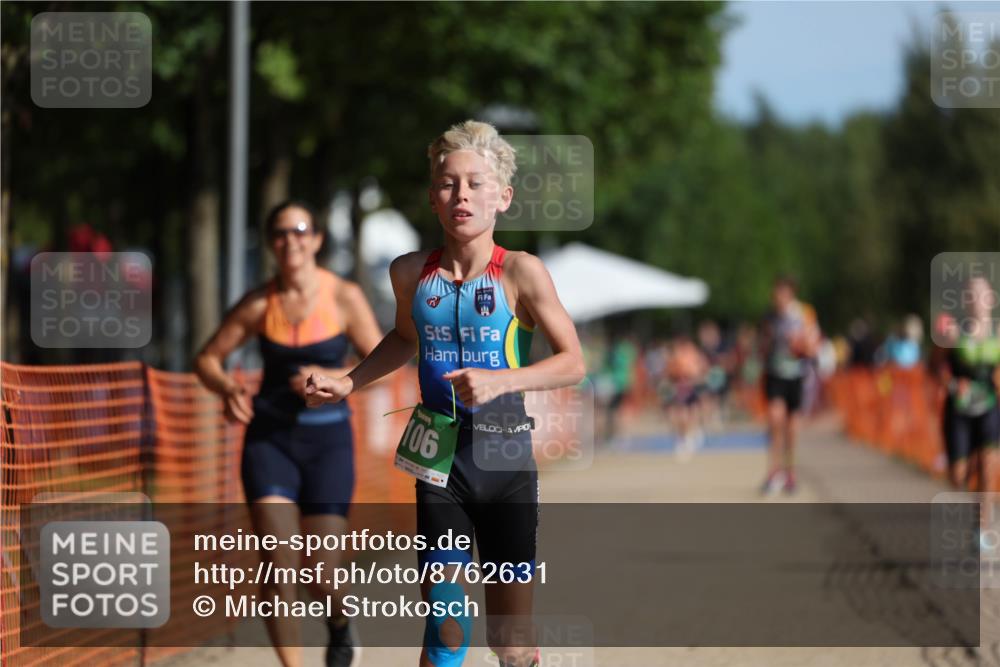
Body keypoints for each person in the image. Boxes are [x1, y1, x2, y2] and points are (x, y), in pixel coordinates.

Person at [305, 120, 585, 667]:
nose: (462, 195)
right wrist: (347, 381)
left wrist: (503, 380)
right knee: (446, 631)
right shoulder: (409, 273)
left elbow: (573, 362)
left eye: (477, 184)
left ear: (502, 198)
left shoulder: (522, 274)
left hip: (505, 461)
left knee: (510, 642)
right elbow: (405, 339)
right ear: (432, 196)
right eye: (448, 183)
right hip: (440, 466)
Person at [195, 200, 382, 667]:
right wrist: (226, 387)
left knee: (322, 573)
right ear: (272, 244)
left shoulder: (344, 297)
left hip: (328, 443)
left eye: (300, 230)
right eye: (280, 233)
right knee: (279, 566)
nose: (290, 240)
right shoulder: (261, 303)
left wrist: (334, 376)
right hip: (270, 441)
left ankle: (339, 624)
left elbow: (382, 361)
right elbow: (206, 359)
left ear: (316, 239)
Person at [936, 276, 1000, 493]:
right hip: (959, 409)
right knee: (958, 476)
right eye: (971, 295)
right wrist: (953, 382)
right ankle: (968, 461)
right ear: (965, 302)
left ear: (992, 299)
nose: (977, 300)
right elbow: (935, 368)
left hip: (990, 406)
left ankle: (981, 527)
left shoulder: (998, 333)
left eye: (982, 294)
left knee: (989, 467)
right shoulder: (954, 333)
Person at [759, 277, 820, 495]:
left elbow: (814, 344)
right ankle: (773, 472)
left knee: (792, 430)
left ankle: (790, 472)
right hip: (776, 375)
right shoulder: (769, 316)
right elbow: (763, 345)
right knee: (775, 421)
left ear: (791, 294)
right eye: (776, 295)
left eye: (783, 294)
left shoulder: (805, 313)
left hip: (797, 376)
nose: (779, 299)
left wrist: (801, 343)